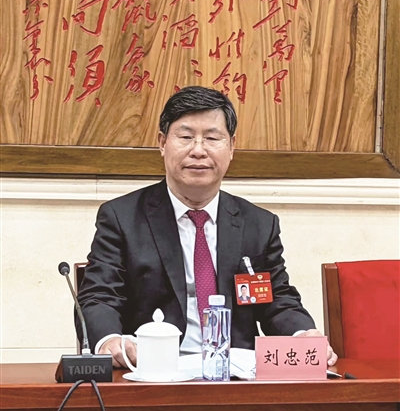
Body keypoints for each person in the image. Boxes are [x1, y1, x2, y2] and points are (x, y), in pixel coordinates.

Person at [76, 86, 337, 368]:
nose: (198, 151)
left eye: (212, 138)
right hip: (152, 369)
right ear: (162, 143)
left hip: (235, 375)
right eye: (185, 137)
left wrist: (302, 334)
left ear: (232, 147)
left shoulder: (258, 224)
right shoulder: (122, 217)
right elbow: (99, 296)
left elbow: (277, 300)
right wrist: (110, 340)